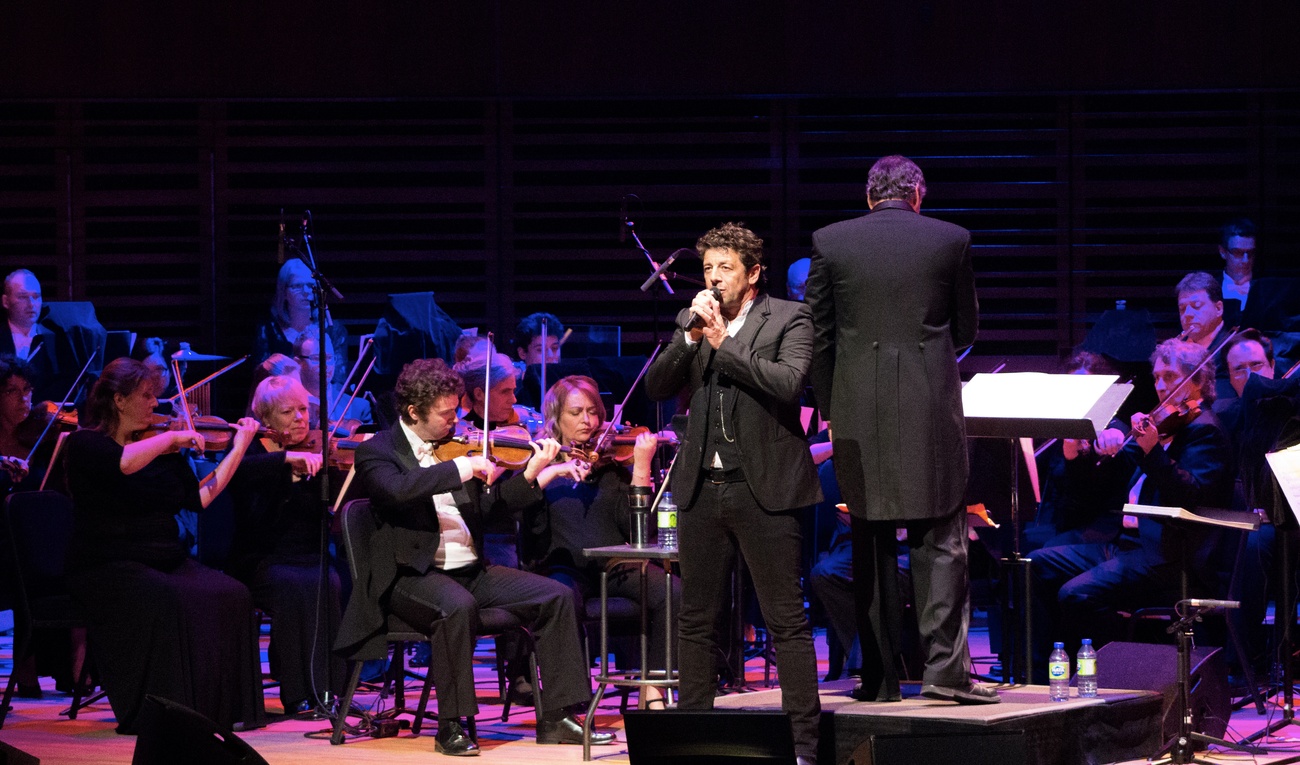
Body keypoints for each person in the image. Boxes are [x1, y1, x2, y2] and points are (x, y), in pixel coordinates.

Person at [337, 358, 613, 755]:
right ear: (414, 412)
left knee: (556, 595)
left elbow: (492, 510)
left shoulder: (455, 446)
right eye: (447, 414)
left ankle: (557, 717)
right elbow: (397, 490)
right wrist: (460, 467)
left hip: (469, 570)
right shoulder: (379, 450)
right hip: (408, 576)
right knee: (456, 607)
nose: (456, 422)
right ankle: (451, 725)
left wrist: (532, 474)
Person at [805, 155, 994, 705]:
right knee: (942, 541)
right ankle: (945, 674)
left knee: (870, 541)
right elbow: (966, 327)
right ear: (918, 194)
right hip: (930, 405)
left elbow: (818, 335)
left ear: (870, 196)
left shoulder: (830, 241)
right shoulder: (950, 238)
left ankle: (879, 680)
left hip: (857, 409)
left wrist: (832, 403)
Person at [645, 222, 823, 765]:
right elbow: (655, 387)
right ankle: (694, 739)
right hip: (703, 486)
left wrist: (725, 344)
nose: (714, 278)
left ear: (752, 274)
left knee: (785, 620)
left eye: (725, 268)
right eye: (707, 269)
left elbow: (789, 384)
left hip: (765, 488)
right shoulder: (694, 321)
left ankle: (805, 747)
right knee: (696, 619)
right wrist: (692, 337)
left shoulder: (791, 318)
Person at [61, 357, 265, 733]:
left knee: (233, 593)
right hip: (108, 563)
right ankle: (163, 712)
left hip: (163, 557)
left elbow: (199, 498)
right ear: (119, 401)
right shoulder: (85, 444)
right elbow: (121, 464)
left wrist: (239, 447)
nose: (157, 404)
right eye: (146, 396)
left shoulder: (159, 450)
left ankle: (220, 709)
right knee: (169, 598)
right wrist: (169, 438)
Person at [1029, 339, 1234, 676]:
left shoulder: (1205, 431)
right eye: (1156, 378)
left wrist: (1153, 451)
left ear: (1197, 382)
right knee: (1036, 564)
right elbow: (1108, 475)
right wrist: (1088, 451)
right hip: (1126, 545)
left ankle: (1107, 679)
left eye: (1170, 376)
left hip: (1167, 554)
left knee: (1075, 594)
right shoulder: (1165, 425)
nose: (1161, 385)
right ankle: (1039, 675)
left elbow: (1192, 496)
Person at [520, 375, 680, 707]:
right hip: (563, 568)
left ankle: (653, 689)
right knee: (561, 596)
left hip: (616, 566)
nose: (588, 421)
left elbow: (638, 531)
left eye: (593, 412)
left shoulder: (611, 464)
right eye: (576, 412)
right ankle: (572, 700)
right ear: (555, 417)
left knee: (672, 590)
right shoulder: (538, 462)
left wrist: (641, 468)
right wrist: (545, 475)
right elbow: (529, 531)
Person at [226, 375, 346, 715]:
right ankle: (295, 693)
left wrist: (332, 478)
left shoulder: (320, 450)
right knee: (292, 585)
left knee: (331, 582)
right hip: (262, 558)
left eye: (304, 409)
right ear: (265, 419)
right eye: (287, 411)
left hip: (308, 555)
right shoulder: (248, 451)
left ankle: (327, 690)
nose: (300, 418)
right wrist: (285, 468)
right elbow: (247, 506)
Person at [253, 258, 348, 388]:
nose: (306, 291)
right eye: (297, 286)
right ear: (284, 291)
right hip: (282, 400)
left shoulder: (333, 329)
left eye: (310, 285)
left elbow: (339, 380)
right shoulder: (268, 329)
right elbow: (262, 378)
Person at [1, 270, 62, 403]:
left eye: (36, 296)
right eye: (23, 297)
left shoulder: (56, 340)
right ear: (6, 301)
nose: (31, 304)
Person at [292, 333, 372, 428]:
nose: (325, 364)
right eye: (317, 358)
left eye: (329, 357)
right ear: (298, 362)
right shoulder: (284, 405)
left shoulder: (359, 407)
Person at [1176, 271, 1234, 402]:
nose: (1188, 314)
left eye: (1196, 306)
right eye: (1182, 309)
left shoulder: (1233, 349)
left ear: (1219, 308)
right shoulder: (1177, 350)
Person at [1218, 218, 1257, 312]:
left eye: (1250, 253)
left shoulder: (1267, 290)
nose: (1245, 260)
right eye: (1238, 252)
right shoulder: (1209, 289)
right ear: (1222, 252)